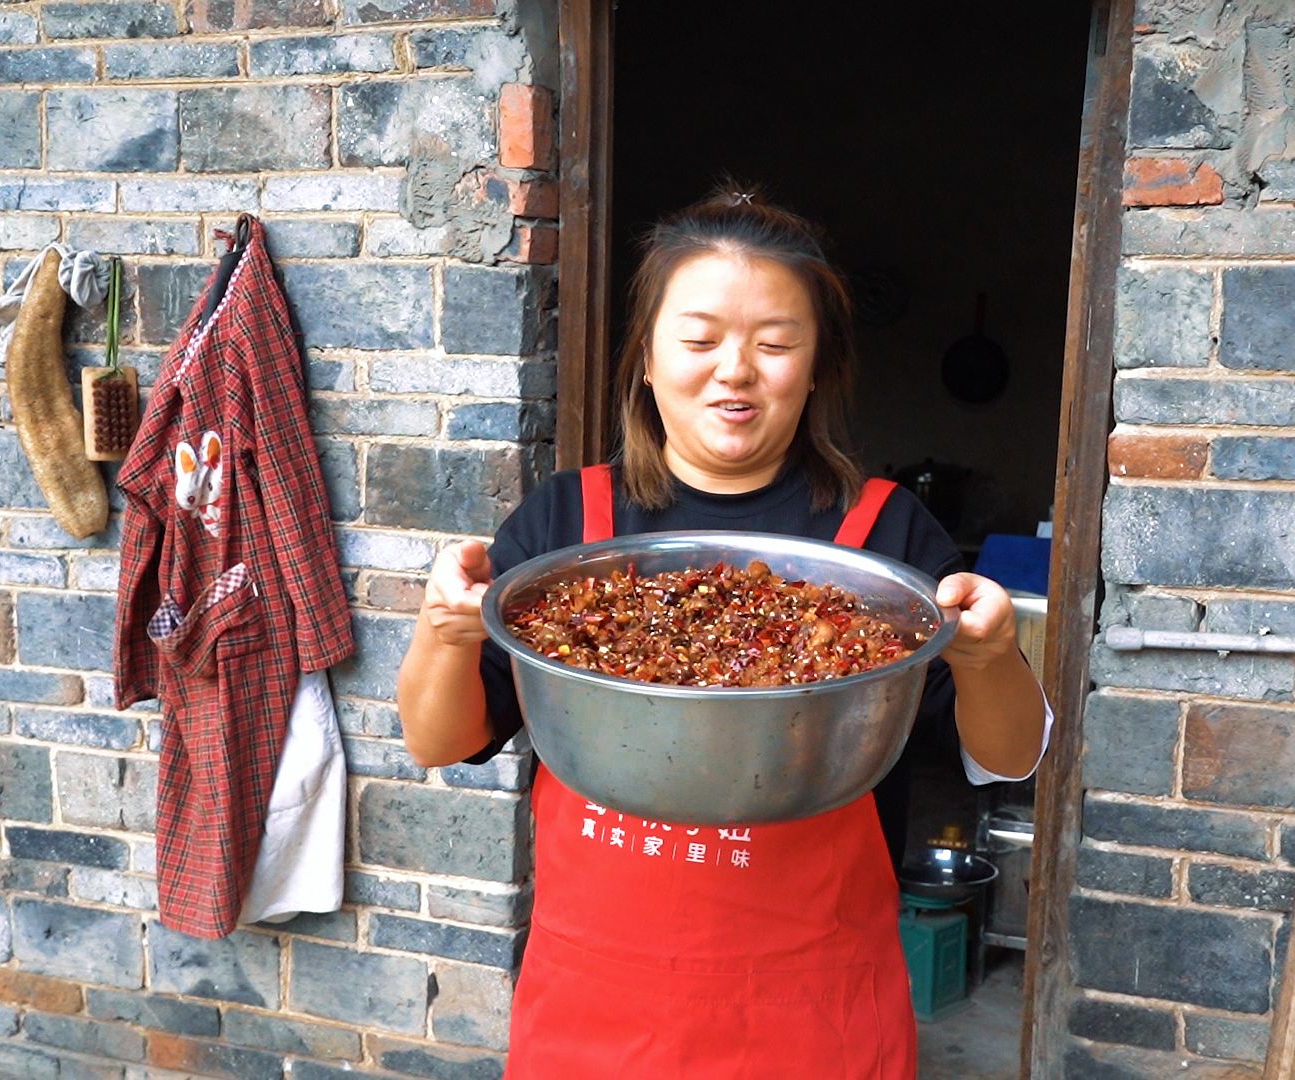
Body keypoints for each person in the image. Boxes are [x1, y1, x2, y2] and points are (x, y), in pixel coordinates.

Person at [397, 185, 1051, 1079]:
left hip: (812, 1009)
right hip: (597, 1006)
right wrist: (443, 630)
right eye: (700, 340)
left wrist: (987, 655)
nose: (735, 370)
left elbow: (1009, 758)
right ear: (648, 360)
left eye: (775, 343)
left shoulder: (885, 542)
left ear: (817, 365)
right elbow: (440, 738)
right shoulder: (566, 528)